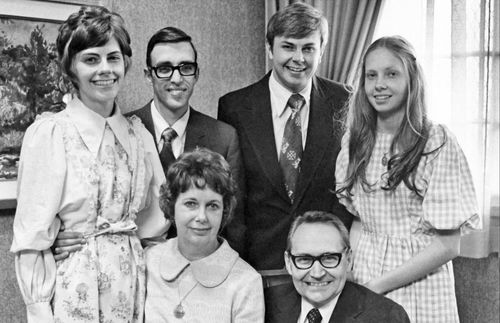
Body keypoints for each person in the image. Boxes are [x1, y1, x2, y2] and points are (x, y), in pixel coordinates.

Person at [10, 7, 168, 322]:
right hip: (74, 287)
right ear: (71, 68)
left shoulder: (139, 136)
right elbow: (31, 233)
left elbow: (155, 225)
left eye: (113, 57)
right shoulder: (52, 133)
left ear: (127, 62)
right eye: (91, 59)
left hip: (133, 285)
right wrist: (39, 306)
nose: (105, 69)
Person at [53, 26, 245, 256]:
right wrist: (57, 238)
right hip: (135, 273)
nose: (176, 78)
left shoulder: (223, 137)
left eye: (186, 68)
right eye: (164, 68)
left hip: (202, 275)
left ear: (197, 74)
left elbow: (234, 225)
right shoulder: (120, 130)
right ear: (147, 74)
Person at [335, 36, 481, 322]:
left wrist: (378, 286)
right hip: (365, 277)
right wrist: (352, 276)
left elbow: (448, 245)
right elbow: (361, 220)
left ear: (411, 80)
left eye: (391, 74)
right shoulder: (356, 141)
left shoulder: (435, 141)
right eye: (371, 75)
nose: (379, 84)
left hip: (420, 284)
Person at [218, 2, 352, 272]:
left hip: (323, 263)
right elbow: (234, 194)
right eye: (288, 46)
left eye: (308, 48)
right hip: (257, 265)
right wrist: (237, 264)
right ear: (270, 49)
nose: (298, 58)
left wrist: (335, 251)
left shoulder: (345, 101)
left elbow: (347, 187)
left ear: (322, 51)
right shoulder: (235, 107)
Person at [145, 148, 264, 322]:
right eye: (191, 203)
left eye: (212, 206)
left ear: (225, 211)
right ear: (171, 205)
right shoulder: (149, 261)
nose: (202, 217)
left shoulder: (246, 281)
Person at [265, 211, 410, 322]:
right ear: (289, 263)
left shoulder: (387, 317)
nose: (317, 273)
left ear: (349, 260)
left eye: (329, 258)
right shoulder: (266, 304)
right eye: (304, 259)